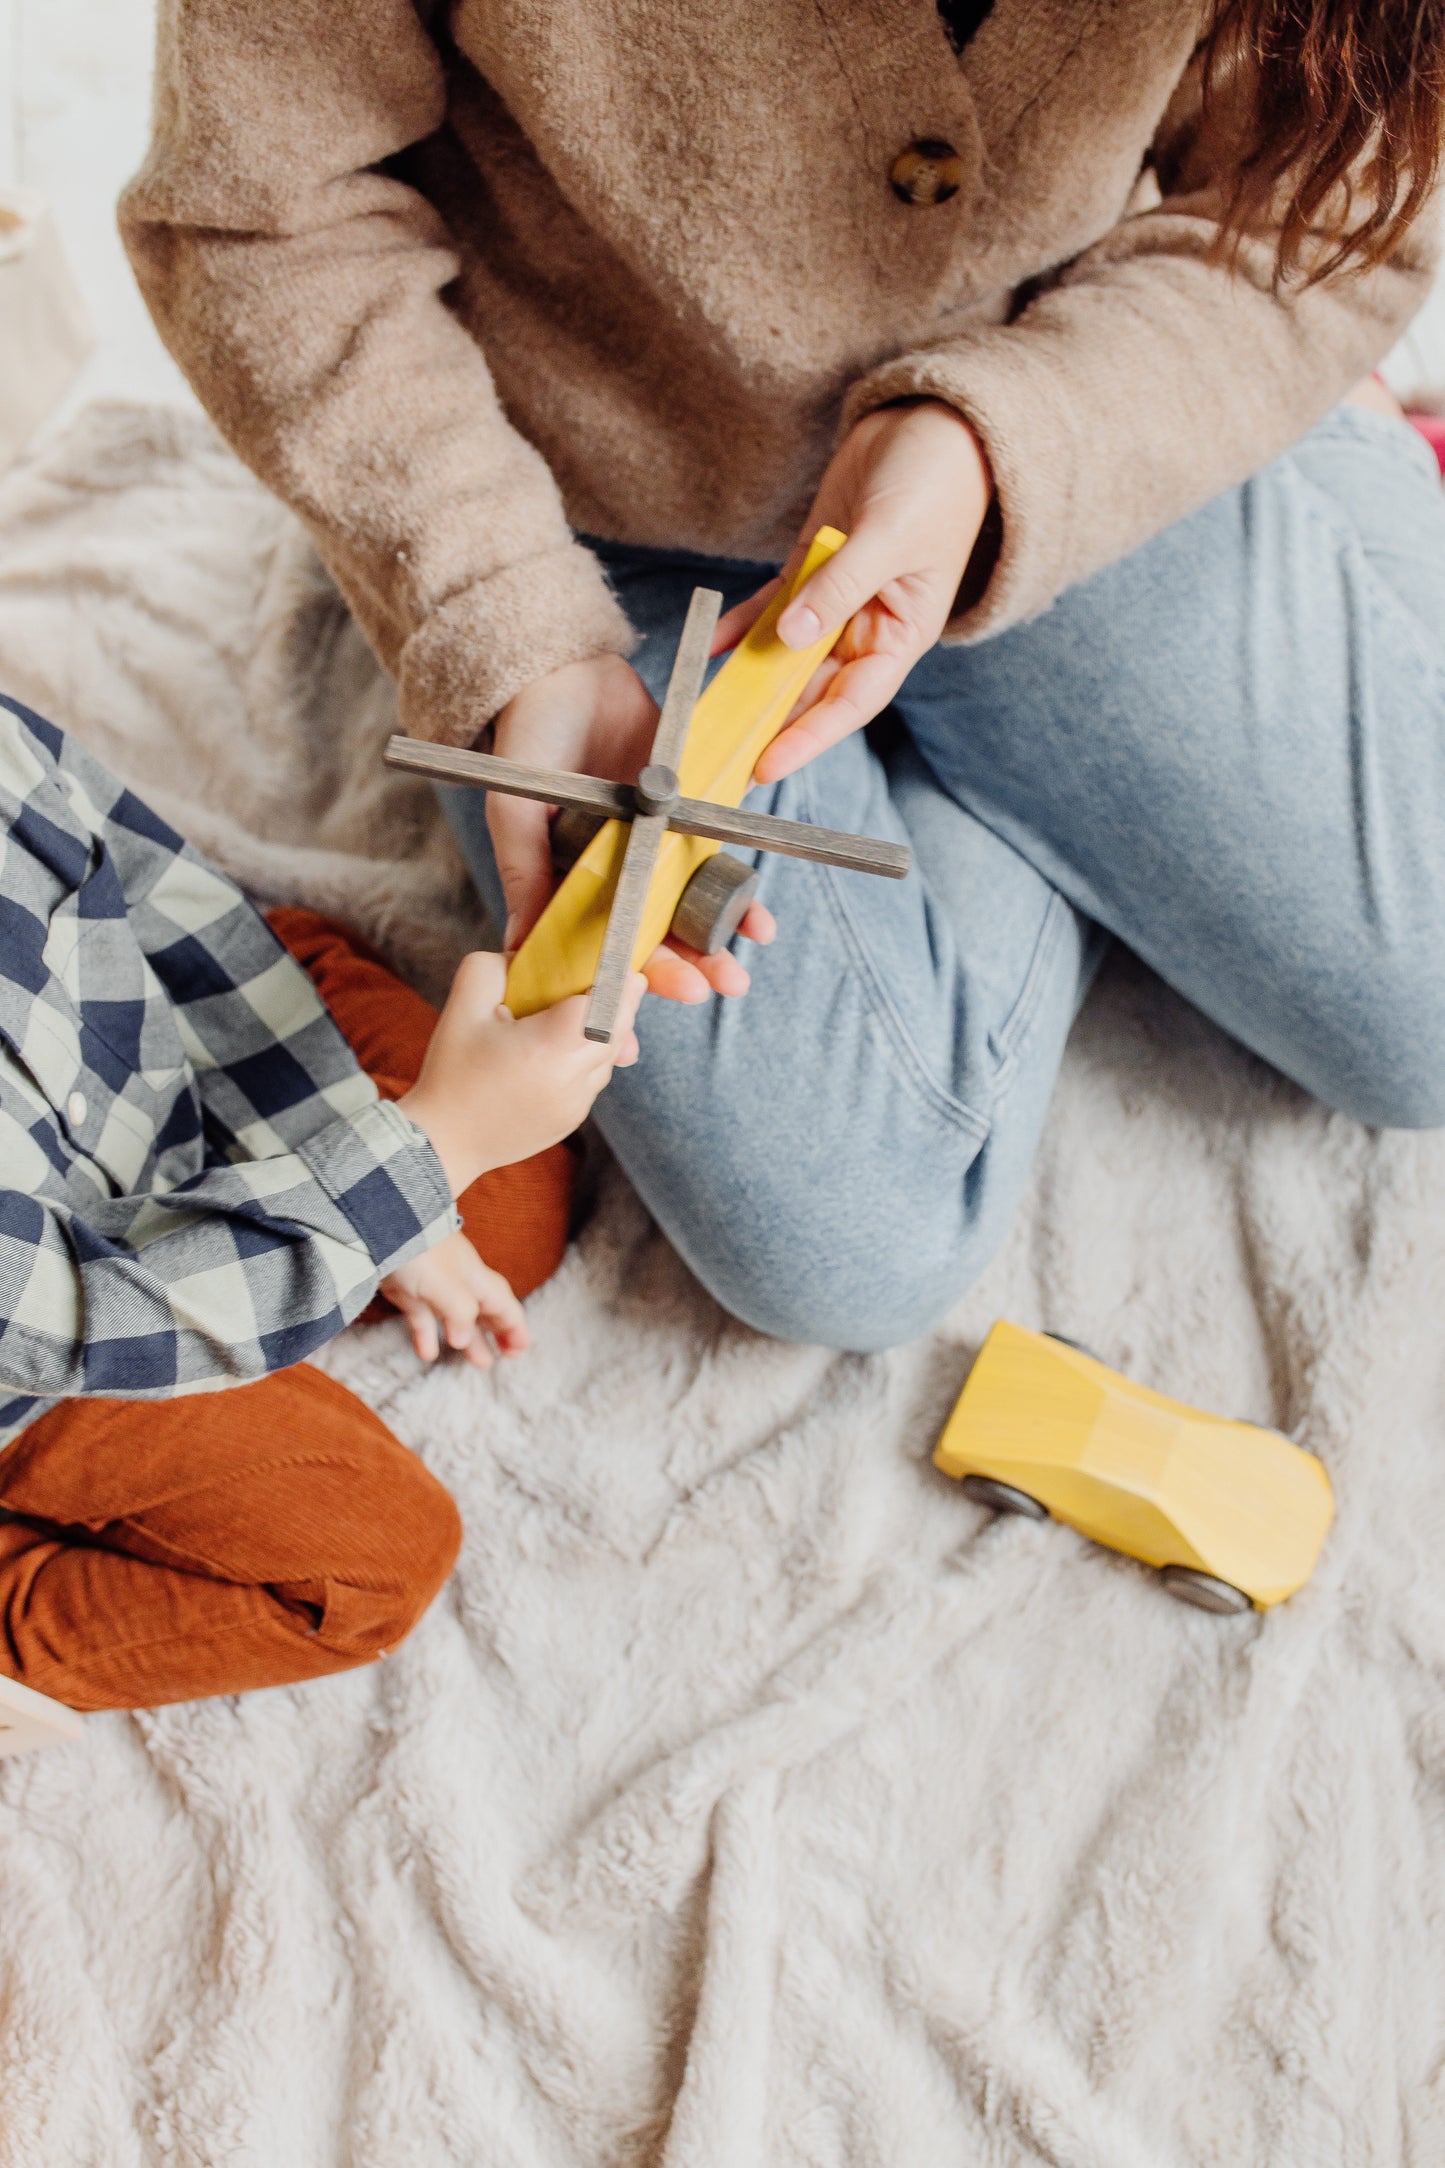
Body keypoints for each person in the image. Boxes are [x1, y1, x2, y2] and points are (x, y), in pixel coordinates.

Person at [121, 0, 1445, 1353]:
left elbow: (1330, 202)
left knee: (1422, 1023)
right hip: (565, 515)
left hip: (1054, 400)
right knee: (846, 1247)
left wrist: (1024, 441)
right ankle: (1065, 754)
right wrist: (492, 609)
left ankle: (1320, 445)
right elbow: (256, 214)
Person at [0, 694, 643, 1710]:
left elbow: (154, 893)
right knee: (373, 1559)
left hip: (143, 1069)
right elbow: (91, 1306)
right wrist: (428, 1150)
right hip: (49, 1347)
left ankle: (336, 1191)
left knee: (506, 1218)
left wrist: (389, 1167)